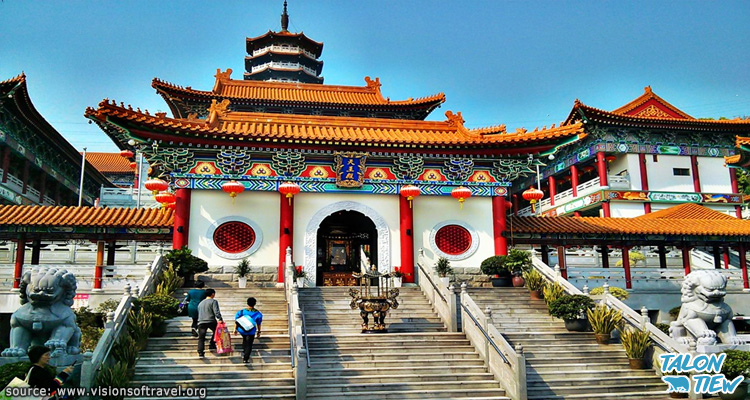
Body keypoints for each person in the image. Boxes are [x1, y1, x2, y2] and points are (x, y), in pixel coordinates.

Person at [234, 297, 263, 363]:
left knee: (245, 339)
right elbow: (259, 323)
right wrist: (259, 331)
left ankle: (244, 351)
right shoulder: (258, 313)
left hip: (242, 330)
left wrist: (235, 329)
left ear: (247, 303)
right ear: (255, 304)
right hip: (251, 331)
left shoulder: (241, 312)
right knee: (249, 343)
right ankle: (246, 358)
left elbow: (236, 321)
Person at [196, 288, 223, 358]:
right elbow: (216, 311)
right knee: (216, 332)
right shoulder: (213, 301)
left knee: (201, 338)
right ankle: (212, 345)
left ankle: (200, 352)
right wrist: (220, 319)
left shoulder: (200, 303)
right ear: (212, 294)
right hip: (210, 320)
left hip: (201, 321)